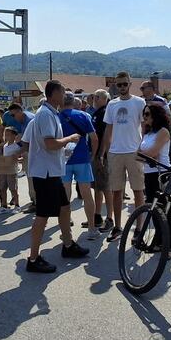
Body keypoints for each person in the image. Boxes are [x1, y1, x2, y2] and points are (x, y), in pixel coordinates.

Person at [22, 80, 89, 273]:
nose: (65, 95)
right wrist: (70, 138)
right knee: (42, 216)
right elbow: (50, 144)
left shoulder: (50, 113)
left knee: (65, 207)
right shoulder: (45, 115)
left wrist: (64, 149)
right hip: (45, 174)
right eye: (62, 92)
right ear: (52, 94)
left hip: (52, 171)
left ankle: (68, 245)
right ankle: (33, 258)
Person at [98, 72, 147, 242]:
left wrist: (143, 149)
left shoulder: (139, 102)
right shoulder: (112, 104)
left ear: (130, 84)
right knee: (116, 191)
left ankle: (139, 227)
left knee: (138, 191)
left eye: (124, 84)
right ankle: (118, 226)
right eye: (119, 85)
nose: (122, 87)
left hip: (134, 151)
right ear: (115, 86)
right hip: (115, 152)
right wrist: (103, 152)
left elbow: (144, 126)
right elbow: (108, 130)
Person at [59, 92, 100, 240]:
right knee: (87, 195)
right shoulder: (83, 115)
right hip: (82, 158)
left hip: (63, 160)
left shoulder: (56, 117)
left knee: (65, 195)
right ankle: (91, 228)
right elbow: (94, 139)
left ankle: (66, 228)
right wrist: (93, 155)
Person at [139, 102, 171, 258]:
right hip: (149, 173)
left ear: (156, 116)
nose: (144, 117)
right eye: (143, 114)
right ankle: (158, 242)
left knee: (165, 211)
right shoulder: (147, 133)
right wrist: (144, 154)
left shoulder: (163, 131)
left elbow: (152, 153)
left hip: (161, 174)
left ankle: (169, 247)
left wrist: (143, 154)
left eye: (147, 114)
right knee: (154, 211)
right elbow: (138, 154)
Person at [89, 89, 112, 230]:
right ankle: (97, 216)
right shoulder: (97, 112)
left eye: (97, 97)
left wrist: (101, 154)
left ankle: (109, 218)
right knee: (97, 187)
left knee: (106, 187)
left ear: (105, 99)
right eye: (94, 96)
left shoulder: (104, 113)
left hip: (102, 155)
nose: (94, 99)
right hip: (96, 154)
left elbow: (105, 135)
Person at [7, 103, 35, 211]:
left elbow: (28, 141)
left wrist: (17, 153)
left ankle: (36, 203)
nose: (13, 118)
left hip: (33, 153)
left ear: (20, 111)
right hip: (32, 152)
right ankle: (36, 201)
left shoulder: (28, 120)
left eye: (13, 115)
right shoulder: (23, 120)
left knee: (32, 177)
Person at [0, 127, 22, 213]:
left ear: (14, 136)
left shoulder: (17, 146)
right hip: (3, 169)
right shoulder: (3, 146)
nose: (6, 136)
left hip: (12, 170)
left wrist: (17, 158)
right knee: (2, 187)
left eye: (8, 135)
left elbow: (20, 157)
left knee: (13, 188)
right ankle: (4, 206)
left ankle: (17, 205)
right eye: (5, 135)